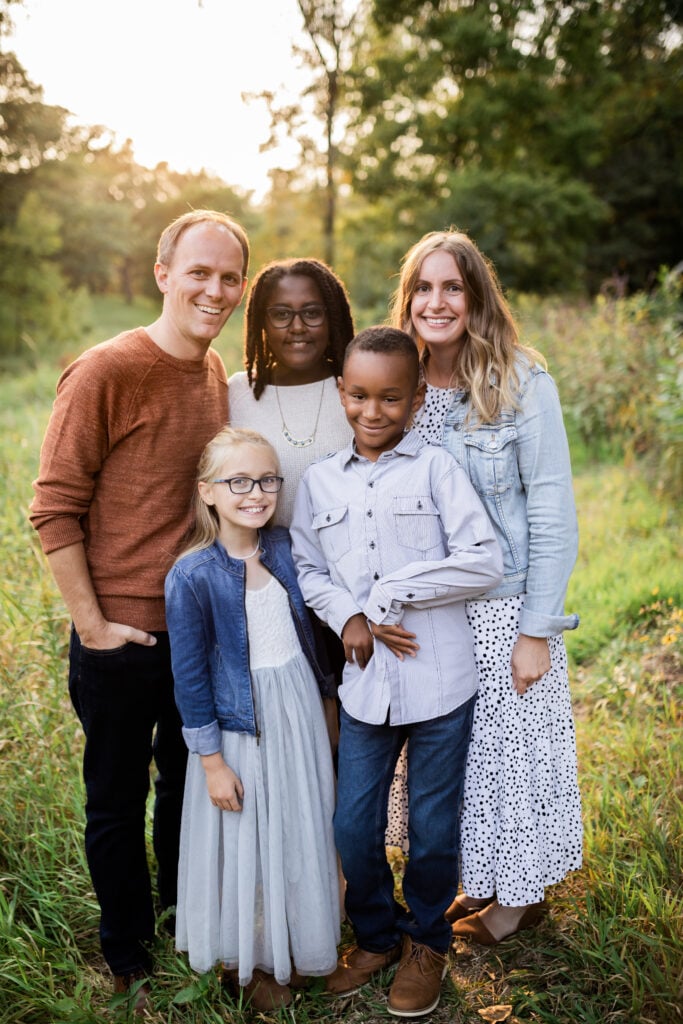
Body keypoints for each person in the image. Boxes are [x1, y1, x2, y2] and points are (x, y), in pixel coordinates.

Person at [29, 210, 250, 1013]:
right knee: (117, 800)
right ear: (163, 273)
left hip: (196, 634)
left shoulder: (213, 372)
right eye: (199, 272)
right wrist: (92, 625)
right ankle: (128, 958)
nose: (214, 290)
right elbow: (53, 508)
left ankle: (181, 925)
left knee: (187, 792)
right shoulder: (105, 371)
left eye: (229, 277)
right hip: (120, 635)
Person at [290, 327, 503, 1017]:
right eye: (358, 395)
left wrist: (391, 592)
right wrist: (348, 617)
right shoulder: (321, 479)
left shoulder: (436, 469)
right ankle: (375, 936)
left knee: (431, 827)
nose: (373, 410)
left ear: (415, 399)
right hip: (365, 689)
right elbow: (308, 568)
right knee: (353, 826)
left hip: (441, 683)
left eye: (390, 397)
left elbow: (482, 559)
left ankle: (426, 941)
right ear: (341, 393)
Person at [390, 229, 582, 945]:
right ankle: (480, 877)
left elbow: (551, 509)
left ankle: (515, 900)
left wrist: (536, 629)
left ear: (475, 297)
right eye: (422, 288)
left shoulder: (519, 380)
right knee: (450, 757)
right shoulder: (398, 383)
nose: (435, 302)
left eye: (451, 287)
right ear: (407, 300)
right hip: (428, 609)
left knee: (508, 752)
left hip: (501, 605)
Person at [164, 427, 340, 1012]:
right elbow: (189, 680)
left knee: (296, 822)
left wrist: (326, 701)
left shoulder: (287, 548)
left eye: (267, 480)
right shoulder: (192, 576)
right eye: (238, 481)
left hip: (296, 708)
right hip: (241, 725)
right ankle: (248, 959)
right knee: (245, 838)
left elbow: (313, 635)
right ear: (208, 492)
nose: (256, 493)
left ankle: (295, 939)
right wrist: (211, 762)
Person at [228, 257, 356, 733]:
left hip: (352, 589)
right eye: (281, 314)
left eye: (312, 312)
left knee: (353, 740)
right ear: (261, 320)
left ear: (334, 317)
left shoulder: (356, 386)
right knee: (292, 736)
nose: (297, 327)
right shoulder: (238, 394)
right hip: (271, 594)